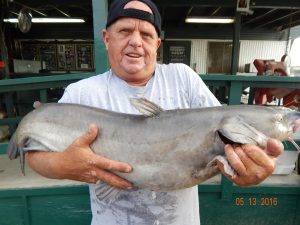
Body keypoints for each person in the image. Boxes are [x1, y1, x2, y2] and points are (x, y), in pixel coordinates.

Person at [26, 0, 283, 224]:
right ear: (107, 38)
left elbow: (226, 142)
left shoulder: (183, 78)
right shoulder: (81, 93)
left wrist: (247, 171)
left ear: (157, 43)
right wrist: (63, 165)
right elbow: (34, 155)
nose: (136, 42)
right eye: (125, 31)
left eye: (146, 34)